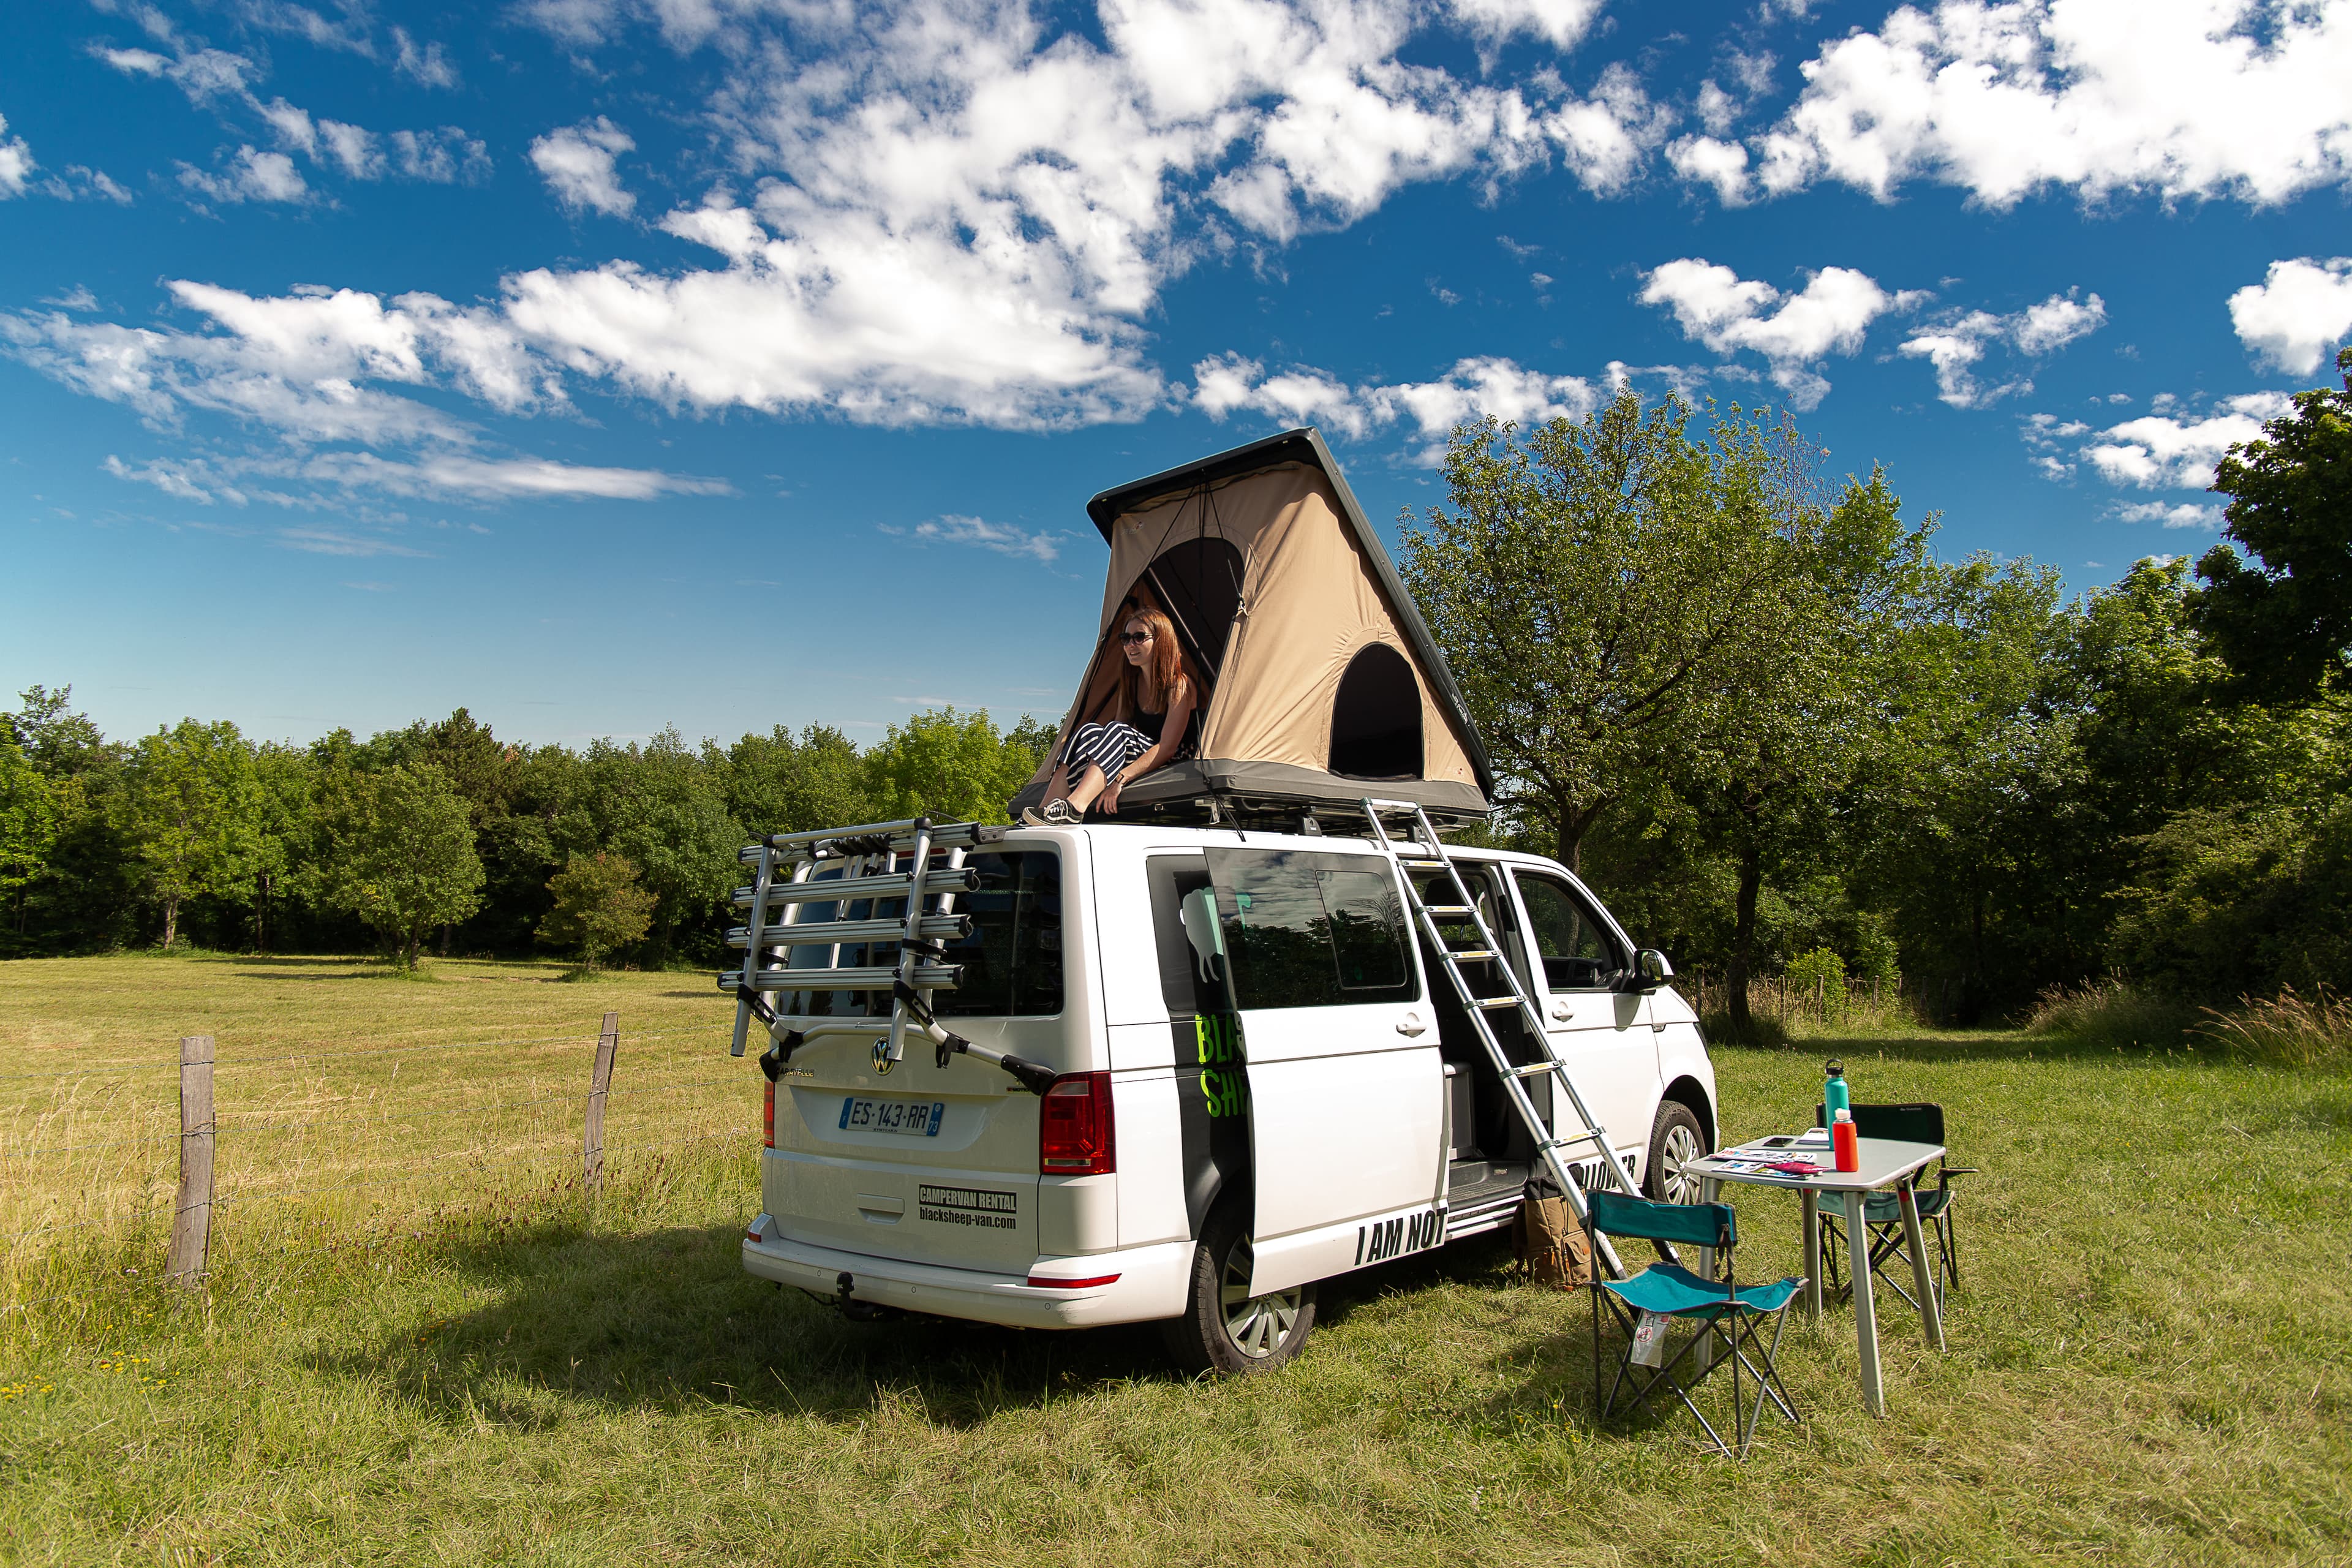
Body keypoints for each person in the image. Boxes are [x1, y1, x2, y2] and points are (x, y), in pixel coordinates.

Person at [1023, 606, 1197, 824]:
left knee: (1117, 730)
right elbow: (1112, 736)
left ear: (1161, 640)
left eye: (1139, 637)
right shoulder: (1132, 683)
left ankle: (1075, 807)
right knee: (1088, 731)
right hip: (1141, 750)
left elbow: (1167, 747)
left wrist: (1120, 779)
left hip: (1175, 757)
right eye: (1125, 638)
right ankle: (1046, 809)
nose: (1130, 645)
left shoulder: (1179, 684)